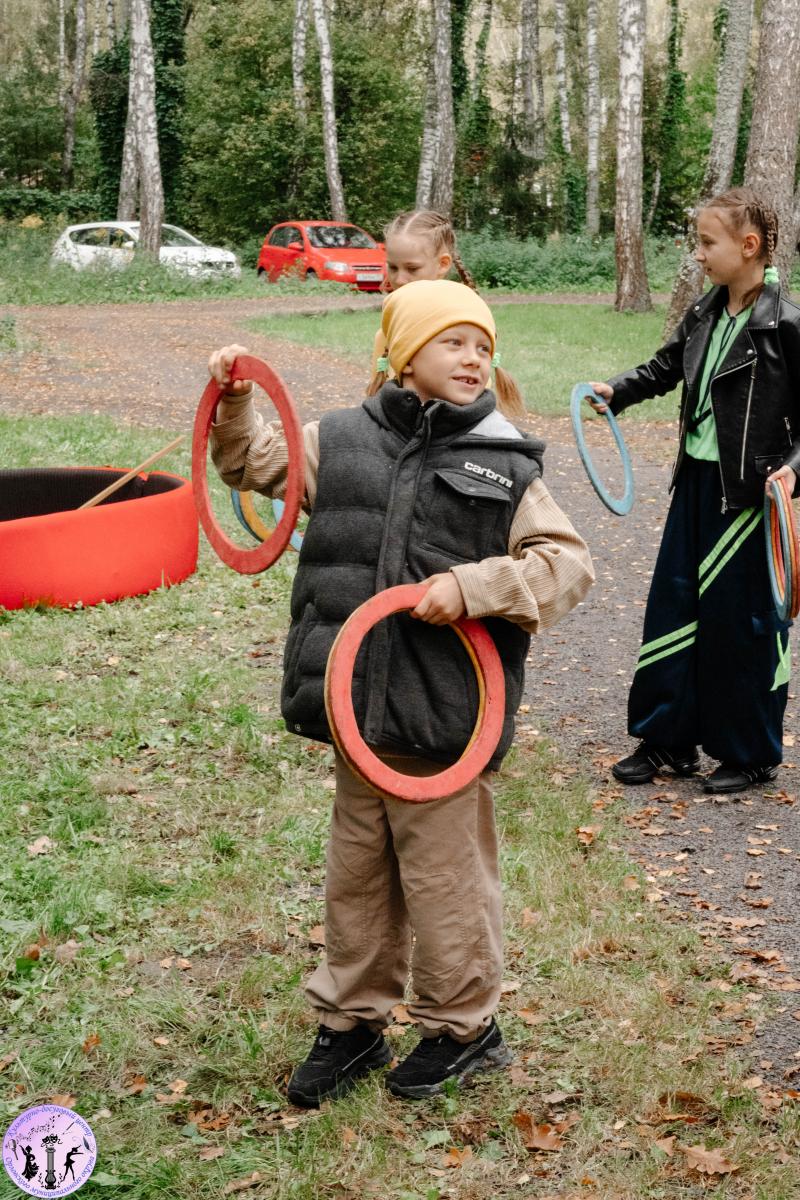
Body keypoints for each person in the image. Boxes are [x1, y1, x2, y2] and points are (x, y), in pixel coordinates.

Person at [208, 280, 594, 1105]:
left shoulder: (505, 463)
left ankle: (464, 1028)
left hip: (444, 714)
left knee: (445, 878)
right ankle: (352, 1022)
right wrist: (234, 404)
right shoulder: (340, 440)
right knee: (358, 873)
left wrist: (475, 586)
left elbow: (567, 567)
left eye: (483, 345)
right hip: (355, 706)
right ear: (403, 354)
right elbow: (251, 464)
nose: (474, 357)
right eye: (453, 341)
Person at [588, 187, 799, 796]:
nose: (699, 254)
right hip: (696, 487)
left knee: (742, 625)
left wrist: (791, 471)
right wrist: (618, 391)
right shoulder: (705, 311)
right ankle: (667, 741)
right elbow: (665, 368)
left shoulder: (786, 325)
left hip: (751, 499)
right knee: (674, 607)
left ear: (749, 246)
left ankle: (749, 752)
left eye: (708, 242)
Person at [370, 210, 480, 383]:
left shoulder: (465, 325)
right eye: (393, 267)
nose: (399, 279)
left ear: (442, 264)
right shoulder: (385, 333)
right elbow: (376, 389)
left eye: (412, 269)